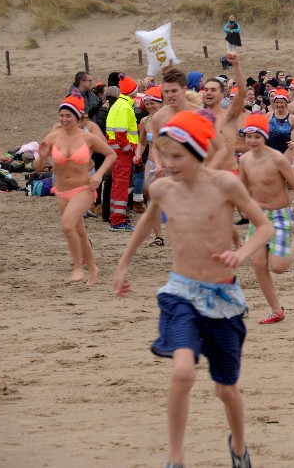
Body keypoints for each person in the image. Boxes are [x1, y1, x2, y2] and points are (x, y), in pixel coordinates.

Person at [112, 110, 274, 468]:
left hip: (223, 299)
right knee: (182, 372)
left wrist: (242, 252)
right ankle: (175, 458)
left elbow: (264, 228)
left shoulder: (225, 185)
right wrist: (123, 264)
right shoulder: (162, 188)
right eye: (163, 155)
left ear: (199, 153)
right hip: (180, 291)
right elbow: (146, 221)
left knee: (225, 390)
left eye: (177, 156)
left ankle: (239, 447)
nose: (167, 164)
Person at [238, 114, 294, 323]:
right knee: (258, 263)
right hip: (258, 218)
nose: (252, 140)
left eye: (257, 136)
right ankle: (276, 310)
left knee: (278, 268)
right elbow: (242, 188)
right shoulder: (244, 160)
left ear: (264, 136)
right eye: (249, 136)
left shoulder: (277, 158)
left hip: (280, 215)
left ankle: (293, 236)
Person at [34, 96, 116, 285]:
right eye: (61, 115)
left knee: (67, 225)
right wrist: (42, 154)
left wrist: (99, 174)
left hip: (84, 188)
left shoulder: (88, 137)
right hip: (61, 191)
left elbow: (111, 154)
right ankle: (93, 268)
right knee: (80, 232)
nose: (64, 119)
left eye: (68, 115)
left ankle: (78, 267)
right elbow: (38, 167)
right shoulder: (53, 136)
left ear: (78, 117)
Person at [106, 74, 140, 231]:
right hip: (122, 152)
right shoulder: (126, 107)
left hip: (115, 151)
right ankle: (118, 220)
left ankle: (115, 216)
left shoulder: (118, 105)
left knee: (117, 184)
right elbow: (121, 133)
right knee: (121, 184)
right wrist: (130, 150)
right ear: (132, 92)